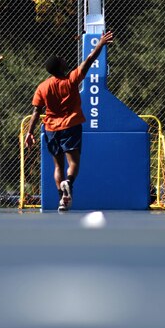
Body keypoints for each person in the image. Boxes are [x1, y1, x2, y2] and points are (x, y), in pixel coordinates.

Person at [24, 31, 114, 211]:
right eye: (61, 58)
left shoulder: (42, 87)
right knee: (73, 163)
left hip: (50, 129)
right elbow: (89, 60)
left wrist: (29, 132)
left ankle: (61, 200)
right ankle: (69, 184)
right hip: (70, 126)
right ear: (60, 66)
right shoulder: (71, 80)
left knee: (58, 165)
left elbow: (36, 111)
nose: (64, 59)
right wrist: (101, 44)